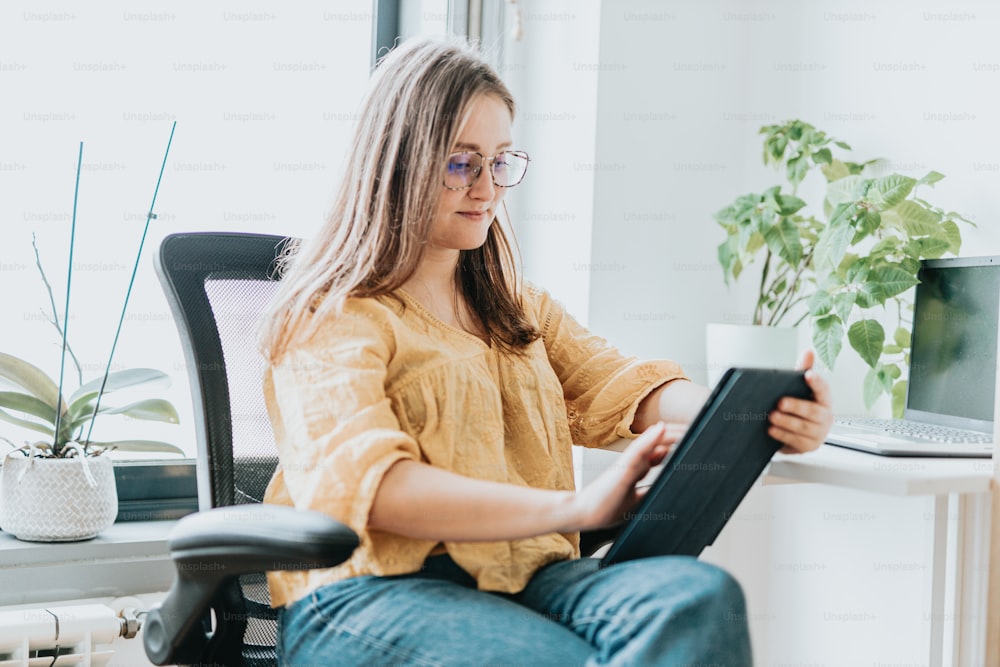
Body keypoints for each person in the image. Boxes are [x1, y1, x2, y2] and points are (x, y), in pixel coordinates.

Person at [258, 36, 833, 667]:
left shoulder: (513, 306)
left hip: (524, 577)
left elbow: (620, 385)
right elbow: (378, 487)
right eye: (460, 162)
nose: (488, 188)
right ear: (395, 163)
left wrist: (755, 412)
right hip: (368, 595)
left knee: (695, 598)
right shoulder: (331, 315)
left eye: (501, 161)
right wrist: (577, 507)